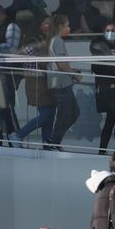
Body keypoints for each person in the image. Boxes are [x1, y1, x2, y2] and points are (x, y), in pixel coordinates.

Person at [10, 18, 56, 146]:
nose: (48, 26)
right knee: (46, 115)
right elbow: (39, 61)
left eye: (50, 24)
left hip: (44, 81)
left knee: (49, 114)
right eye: (45, 23)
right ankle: (19, 135)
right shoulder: (32, 41)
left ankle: (47, 143)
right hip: (36, 82)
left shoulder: (43, 40)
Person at [90, 23, 115, 154]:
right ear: (103, 32)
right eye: (107, 30)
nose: (110, 32)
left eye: (113, 30)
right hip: (107, 89)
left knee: (114, 120)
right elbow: (98, 66)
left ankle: (107, 149)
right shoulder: (97, 45)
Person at [46, 14, 82, 149]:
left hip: (63, 82)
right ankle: (54, 141)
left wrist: (72, 71)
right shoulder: (57, 41)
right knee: (66, 114)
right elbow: (61, 65)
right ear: (61, 26)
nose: (69, 28)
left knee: (72, 113)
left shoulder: (55, 40)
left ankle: (54, 140)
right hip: (60, 84)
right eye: (67, 26)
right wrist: (75, 75)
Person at [0, 4, 21, 141]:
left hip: (6, 70)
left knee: (7, 105)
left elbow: (11, 48)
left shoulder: (12, 26)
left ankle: (15, 138)